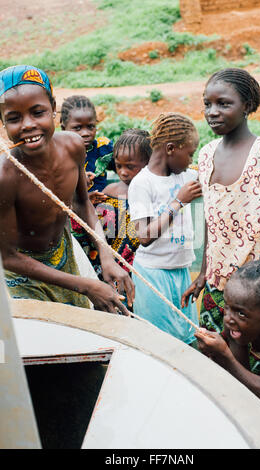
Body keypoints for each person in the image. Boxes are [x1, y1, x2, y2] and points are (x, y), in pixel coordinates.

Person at [0, 65, 134, 314]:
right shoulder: (5, 176)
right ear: (3, 122)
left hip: (64, 255)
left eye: (37, 112)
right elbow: (8, 257)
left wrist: (106, 256)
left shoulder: (72, 146)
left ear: (53, 108)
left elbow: (83, 204)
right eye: (14, 118)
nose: (28, 125)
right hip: (20, 275)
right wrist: (85, 286)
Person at [182, 68, 260, 334]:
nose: (212, 111)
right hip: (216, 282)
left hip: (258, 289)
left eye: (224, 104)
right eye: (207, 104)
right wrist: (203, 274)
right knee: (212, 351)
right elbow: (213, 220)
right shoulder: (207, 154)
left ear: (246, 106)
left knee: (252, 362)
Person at [195, 257, 260, 437]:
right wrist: (217, 357)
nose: (228, 319)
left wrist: (225, 356)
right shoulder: (236, 322)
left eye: (240, 313)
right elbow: (243, 383)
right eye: (227, 307)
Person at [128, 112, 202, 345]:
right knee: (157, 343)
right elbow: (144, 236)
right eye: (189, 154)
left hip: (180, 271)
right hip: (153, 274)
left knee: (187, 340)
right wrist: (178, 202)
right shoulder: (142, 183)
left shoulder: (186, 176)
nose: (191, 160)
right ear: (171, 148)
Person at [96, 129, 152, 274]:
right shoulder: (109, 192)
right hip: (111, 266)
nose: (123, 172)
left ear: (148, 163)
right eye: (118, 166)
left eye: (130, 167)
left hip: (143, 269)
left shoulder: (153, 193)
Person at [60, 94, 115, 205]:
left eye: (90, 127)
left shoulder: (103, 148)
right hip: (73, 209)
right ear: (63, 128)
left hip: (103, 206)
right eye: (77, 128)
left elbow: (121, 169)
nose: (85, 133)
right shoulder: (58, 154)